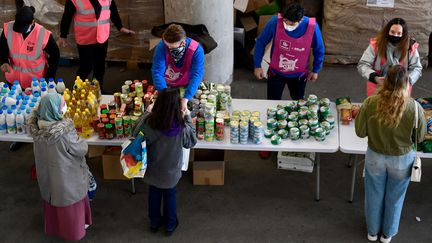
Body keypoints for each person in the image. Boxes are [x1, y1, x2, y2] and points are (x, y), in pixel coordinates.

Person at [355, 65, 426, 243]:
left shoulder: (371, 102)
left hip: (375, 156)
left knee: (373, 194)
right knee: (395, 197)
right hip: (402, 159)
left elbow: (360, 132)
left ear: (385, 81)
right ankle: (387, 234)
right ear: (406, 84)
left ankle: (372, 232)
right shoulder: (415, 107)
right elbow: (420, 136)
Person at [132, 88, 197, 236]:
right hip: (171, 174)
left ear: (158, 105)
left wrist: (147, 113)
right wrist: (187, 117)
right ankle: (170, 225)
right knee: (170, 197)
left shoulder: (150, 124)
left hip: (152, 172)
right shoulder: (181, 127)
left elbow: (135, 133)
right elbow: (191, 141)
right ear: (177, 107)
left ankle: (154, 223)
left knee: (153, 196)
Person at [28, 93, 92, 241]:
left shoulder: (36, 130)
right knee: (69, 205)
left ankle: (55, 228)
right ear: (55, 110)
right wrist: (80, 139)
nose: (65, 107)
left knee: (53, 200)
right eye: (62, 105)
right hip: (67, 179)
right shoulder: (64, 133)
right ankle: (74, 231)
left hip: (48, 178)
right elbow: (81, 149)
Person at [58, 0, 135, 93]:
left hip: (102, 36)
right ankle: (77, 91)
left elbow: (112, 9)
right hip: (85, 38)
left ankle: (97, 90)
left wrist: (120, 27)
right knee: (86, 66)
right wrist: (63, 35)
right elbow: (67, 16)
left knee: (100, 66)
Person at [253, 3, 325, 101]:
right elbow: (261, 42)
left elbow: (319, 49)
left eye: (291, 24)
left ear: (300, 20)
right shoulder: (274, 22)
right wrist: (257, 65)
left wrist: (315, 70)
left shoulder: (312, 27)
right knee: (272, 101)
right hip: (275, 73)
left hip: (298, 75)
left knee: (298, 102)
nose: (287, 26)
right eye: (285, 21)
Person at [357, 18, 422, 97]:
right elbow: (363, 64)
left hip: (401, 89)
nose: (395, 35)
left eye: (399, 33)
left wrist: (408, 80)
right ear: (387, 31)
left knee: (398, 108)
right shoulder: (376, 44)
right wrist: (374, 78)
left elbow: (416, 68)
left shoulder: (411, 47)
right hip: (377, 87)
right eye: (392, 32)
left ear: (403, 34)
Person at [0, 3, 60, 89]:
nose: (20, 31)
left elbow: (55, 55)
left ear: (32, 22)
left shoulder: (42, 34)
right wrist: (4, 61)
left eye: (23, 28)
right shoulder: (8, 29)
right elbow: (3, 47)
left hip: (35, 84)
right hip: (13, 82)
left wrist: (49, 79)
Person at [151, 24, 205, 111]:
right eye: (167, 45)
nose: (168, 48)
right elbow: (157, 72)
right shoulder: (161, 46)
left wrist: (186, 97)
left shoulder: (197, 50)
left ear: (183, 42)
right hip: (167, 84)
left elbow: (196, 74)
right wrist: (164, 93)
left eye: (172, 46)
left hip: (187, 84)